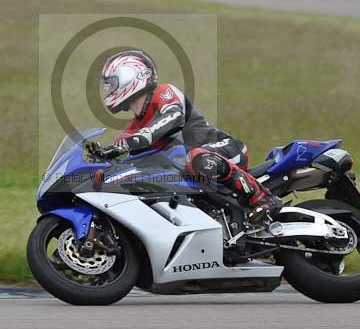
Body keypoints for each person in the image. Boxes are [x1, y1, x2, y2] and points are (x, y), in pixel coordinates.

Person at [96, 50, 282, 228]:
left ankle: (262, 198)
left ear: (132, 75)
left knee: (197, 157)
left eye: (111, 83)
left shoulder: (164, 93)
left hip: (224, 149)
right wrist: (105, 158)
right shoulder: (133, 129)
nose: (108, 90)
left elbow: (173, 117)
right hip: (194, 171)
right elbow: (130, 160)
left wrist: (136, 140)